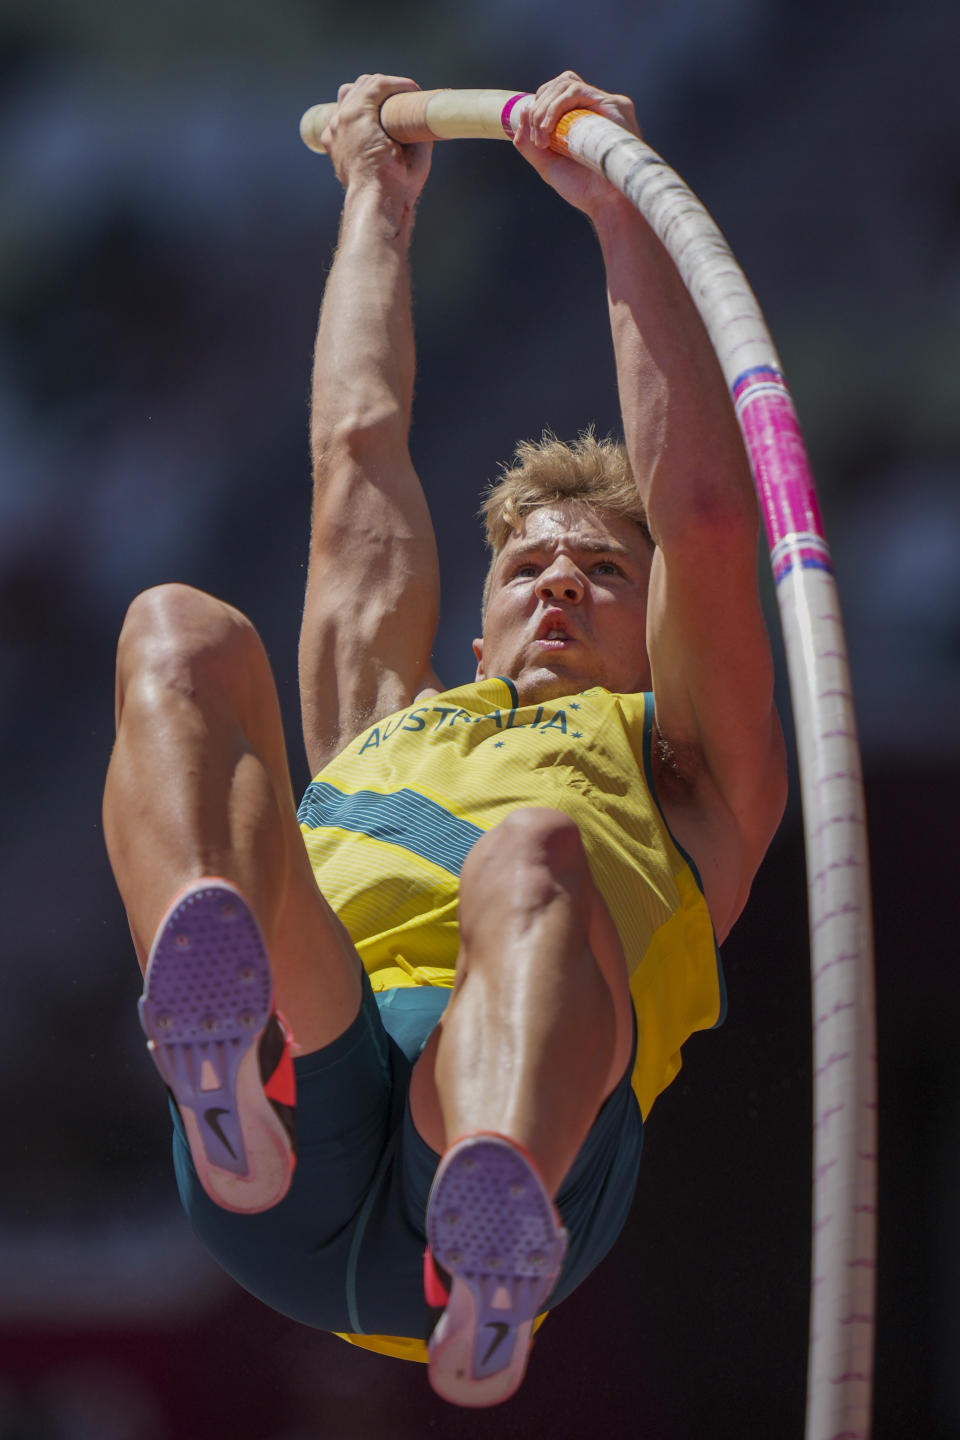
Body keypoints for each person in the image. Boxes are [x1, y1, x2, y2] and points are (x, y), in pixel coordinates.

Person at [103, 71, 786, 1407]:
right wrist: (377, 197)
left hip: (506, 1148)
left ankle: (495, 1228)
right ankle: (219, 1056)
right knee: (178, 633)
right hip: (298, 1106)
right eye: (527, 566)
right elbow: (358, 450)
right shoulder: (387, 720)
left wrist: (618, 211)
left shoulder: (686, 772)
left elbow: (703, 518)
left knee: (531, 854)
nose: (556, 583)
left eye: (599, 570)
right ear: (473, 636)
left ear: (661, 641)